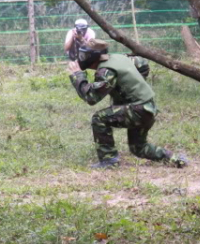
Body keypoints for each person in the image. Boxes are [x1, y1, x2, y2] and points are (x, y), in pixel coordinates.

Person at [67, 38, 187, 169]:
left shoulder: (106, 71)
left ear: (92, 57)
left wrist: (78, 75)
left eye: (83, 55)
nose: (81, 58)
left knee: (99, 118)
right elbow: (142, 64)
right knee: (138, 148)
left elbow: (91, 97)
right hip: (148, 107)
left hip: (138, 110)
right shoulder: (119, 58)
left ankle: (109, 161)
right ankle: (175, 159)